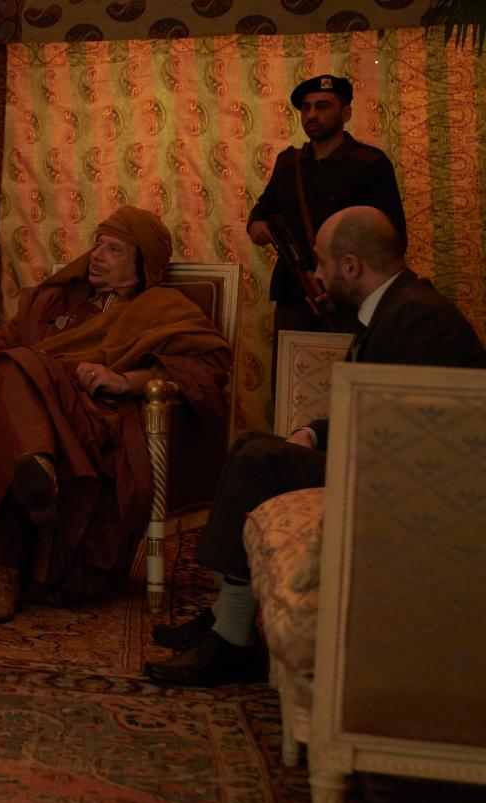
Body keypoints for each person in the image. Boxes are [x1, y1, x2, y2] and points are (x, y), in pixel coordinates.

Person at [146, 206, 486, 687]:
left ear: (351, 266)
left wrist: (325, 443)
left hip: (411, 485)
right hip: (387, 461)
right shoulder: (400, 305)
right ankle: (225, 615)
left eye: (322, 263)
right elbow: (376, 403)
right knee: (250, 445)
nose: (318, 275)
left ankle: (233, 642)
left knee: (258, 460)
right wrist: (315, 432)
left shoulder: (416, 317)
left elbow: (405, 433)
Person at [0, 206, 232, 624]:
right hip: (32, 414)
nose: (96, 256)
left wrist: (126, 380)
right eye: (97, 245)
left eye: (113, 249)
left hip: (92, 421)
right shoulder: (55, 301)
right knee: (11, 368)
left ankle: (3, 568)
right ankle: (37, 468)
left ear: (142, 264)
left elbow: (208, 367)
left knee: (10, 387)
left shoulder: (163, 307)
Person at [246, 74, 405, 338]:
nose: (311, 115)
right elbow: (265, 208)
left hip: (351, 298)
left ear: (345, 113)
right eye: (306, 107)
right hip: (295, 294)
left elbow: (392, 239)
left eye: (323, 106)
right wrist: (256, 224)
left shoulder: (370, 163)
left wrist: (348, 287)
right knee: (290, 362)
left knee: (350, 364)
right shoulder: (289, 163)